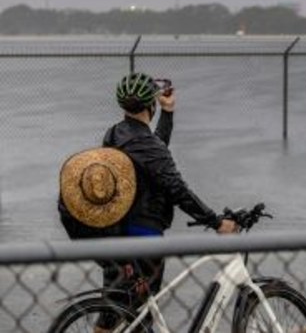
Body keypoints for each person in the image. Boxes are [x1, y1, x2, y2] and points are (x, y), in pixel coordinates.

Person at [86, 72, 236, 332]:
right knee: (141, 311)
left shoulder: (115, 133)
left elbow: (154, 153)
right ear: (149, 105)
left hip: (115, 230)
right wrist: (216, 222)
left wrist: (168, 113)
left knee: (115, 308)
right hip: (143, 234)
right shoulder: (145, 144)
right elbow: (176, 188)